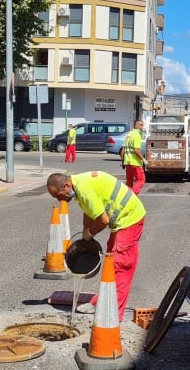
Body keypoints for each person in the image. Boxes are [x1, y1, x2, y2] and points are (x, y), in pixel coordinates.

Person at [47, 171, 146, 321]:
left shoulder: (85, 190)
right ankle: (103, 302)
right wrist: (84, 237)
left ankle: (111, 313)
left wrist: (91, 233)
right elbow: (89, 213)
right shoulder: (79, 187)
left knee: (120, 265)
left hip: (129, 219)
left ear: (67, 185)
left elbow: (103, 220)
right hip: (123, 219)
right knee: (110, 259)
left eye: (59, 195)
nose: (61, 200)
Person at [121, 119, 148, 194]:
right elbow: (136, 150)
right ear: (135, 125)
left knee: (129, 183)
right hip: (135, 162)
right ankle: (131, 196)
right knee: (141, 180)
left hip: (128, 163)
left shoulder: (128, 135)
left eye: (142, 125)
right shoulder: (137, 135)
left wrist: (123, 161)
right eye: (140, 125)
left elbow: (123, 150)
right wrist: (143, 159)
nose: (142, 127)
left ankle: (124, 198)